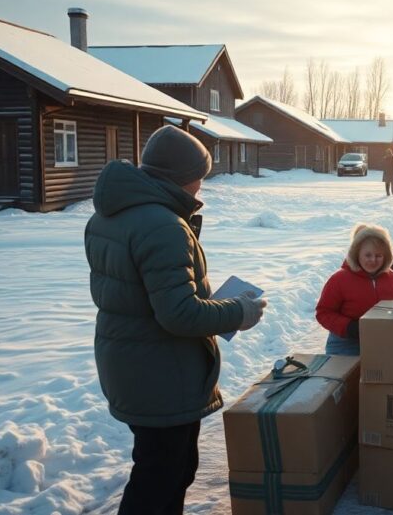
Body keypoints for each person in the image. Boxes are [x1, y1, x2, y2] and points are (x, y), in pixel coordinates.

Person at [84, 125, 267, 514]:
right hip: (159, 370)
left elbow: (141, 297)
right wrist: (240, 310)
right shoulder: (162, 225)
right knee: (160, 477)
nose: (202, 185)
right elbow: (179, 314)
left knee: (168, 468)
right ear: (183, 176)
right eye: (200, 175)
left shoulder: (114, 215)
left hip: (135, 361)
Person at [317, 223, 393, 355]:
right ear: (357, 254)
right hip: (346, 341)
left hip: (383, 338)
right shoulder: (339, 279)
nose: (373, 260)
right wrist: (348, 327)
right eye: (368, 255)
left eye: (378, 255)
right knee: (348, 375)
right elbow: (323, 312)